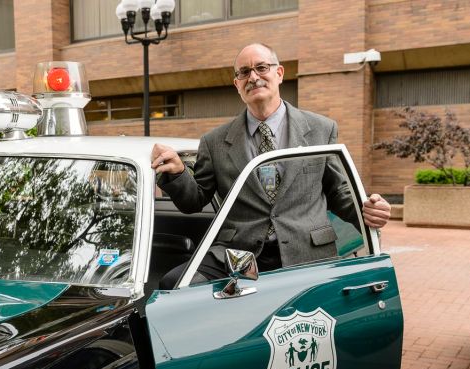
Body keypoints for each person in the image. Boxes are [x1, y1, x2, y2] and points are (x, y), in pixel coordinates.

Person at [151, 43, 391, 289]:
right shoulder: (214, 142)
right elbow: (195, 200)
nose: (253, 77)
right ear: (237, 85)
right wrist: (178, 173)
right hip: (239, 255)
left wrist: (368, 210)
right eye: (244, 72)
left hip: (307, 252)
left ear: (279, 73)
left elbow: (338, 193)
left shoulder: (321, 128)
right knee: (174, 285)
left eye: (261, 68)